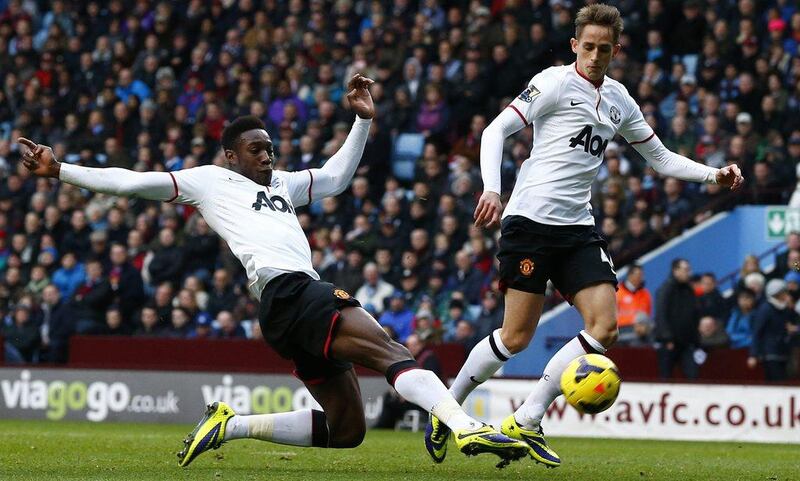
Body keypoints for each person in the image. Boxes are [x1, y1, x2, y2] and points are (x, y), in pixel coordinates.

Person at [18, 74, 527, 469]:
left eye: (270, 146)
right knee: (392, 352)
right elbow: (132, 183)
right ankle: (465, 427)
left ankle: (230, 425)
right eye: (257, 149)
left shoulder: (281, 185)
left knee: (347, 431)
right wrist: (61, 170)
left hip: (284, 311)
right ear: (231, 155)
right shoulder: (209, 181)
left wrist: (363, 121)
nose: (268, 154)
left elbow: (334, 178)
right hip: (293, 292)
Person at [425, 4, 744, 468]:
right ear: (575, 45)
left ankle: (527, 419)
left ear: (616, 50)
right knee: (515, 338)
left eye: (604, 48)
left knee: (605, 327)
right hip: (529, 223)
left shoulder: (618, 99)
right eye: (588, 46)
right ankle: (446, 410)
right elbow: (495, 130)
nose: (595, 55)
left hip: (577, 228)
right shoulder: (553, 82)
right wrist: (492, 188)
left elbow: (660, 157)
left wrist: (714, 175)